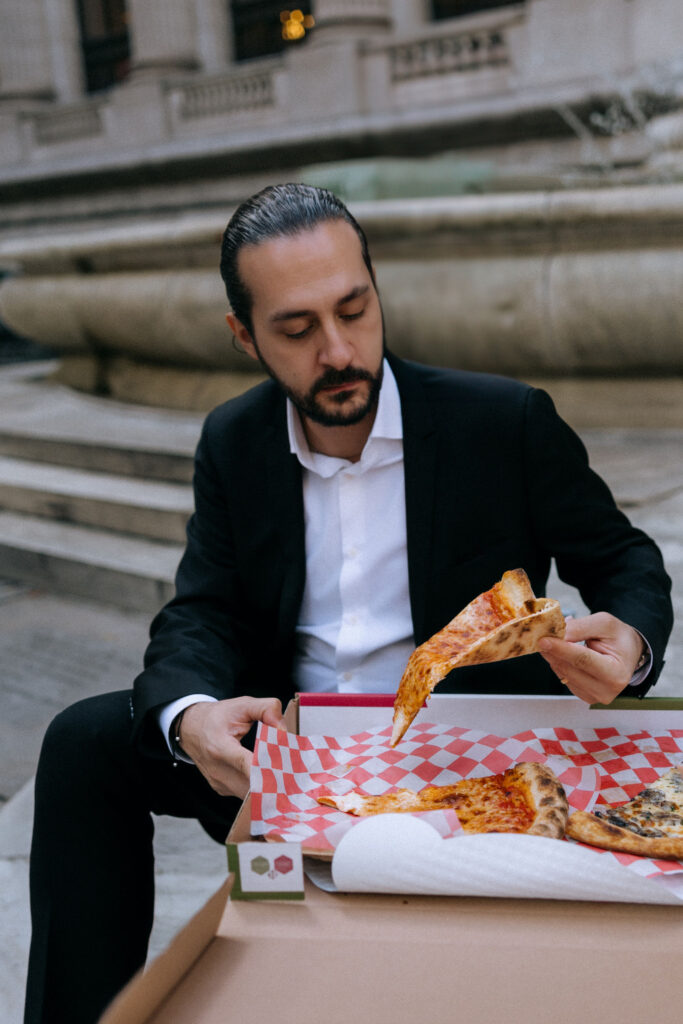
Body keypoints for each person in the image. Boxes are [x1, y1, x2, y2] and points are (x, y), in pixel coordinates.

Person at [25, 184, 673, 1024]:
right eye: (296, 330)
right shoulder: (233, 440)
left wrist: (629, 640)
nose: (338, 350)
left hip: (461, 749)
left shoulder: (502, 421)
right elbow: (203, 611)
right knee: (84, 742)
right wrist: (190, 717)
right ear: (244, 337)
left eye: (354, 310)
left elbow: (623, 561)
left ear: (375, 292)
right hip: (284, 748)